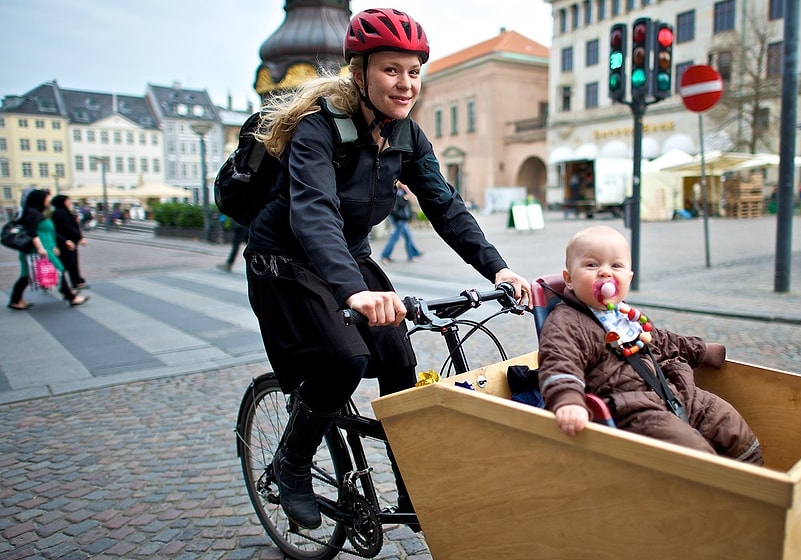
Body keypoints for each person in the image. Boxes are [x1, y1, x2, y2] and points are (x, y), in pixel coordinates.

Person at [243, 8, 531, 531]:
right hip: (284, 258)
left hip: (346, 254)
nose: (406, 83)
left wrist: (499, 269)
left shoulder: (408, 136)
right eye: (391, 70)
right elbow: (313, 214)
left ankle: (410, 480)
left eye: (414, 71)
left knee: (398, 362)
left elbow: (444, 206)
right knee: (343, 359)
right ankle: (292, 466)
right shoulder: (318, 129)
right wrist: (354, 292)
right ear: (360, 73)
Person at [537, 226, 763, 465]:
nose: (605, 273)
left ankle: (758, 479)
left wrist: (702, 351)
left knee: (724, 417)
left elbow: (663, 340)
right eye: (592, 265)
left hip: (674, 391)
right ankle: (717, 491)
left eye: (616, 266)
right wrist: (568, 399)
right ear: (569, 279)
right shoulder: (566, 322)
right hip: (633, 409)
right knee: (690, 450)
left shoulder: (628, 316)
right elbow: (559, 360)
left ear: (629, 278)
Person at [8, 189, 88, 310]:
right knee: (58, 270)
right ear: (39, 200)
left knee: (27, 275)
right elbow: (32, 233)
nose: (48, 201)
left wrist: (56, 245)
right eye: (46, 198)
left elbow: (49, 232)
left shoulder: (37, 212)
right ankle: (70, 297)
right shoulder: (32, 213)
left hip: (42, 248)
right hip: (37, 250)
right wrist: (41, 248)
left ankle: (15, 300)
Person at [380, 181, 422, 263]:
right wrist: (405, 198)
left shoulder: (403, 192)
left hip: (403, 219)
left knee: (408, 237)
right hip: (399, 219)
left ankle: (414, 253)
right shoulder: (397, 193)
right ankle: (385, 256)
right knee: (395, 238)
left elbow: (407, 206)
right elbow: (398, 206)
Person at [50, 194, 87, 289]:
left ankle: (76, 281)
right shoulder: (60, 213)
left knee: (72, 262)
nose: (69, 202)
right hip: (66, 242)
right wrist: (79, 237)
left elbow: (71, 225)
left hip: (69, 241)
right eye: (68, 200)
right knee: (67, 263)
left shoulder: (64, 212)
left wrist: (75, 221)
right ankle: (61, 283)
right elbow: (67, 227)